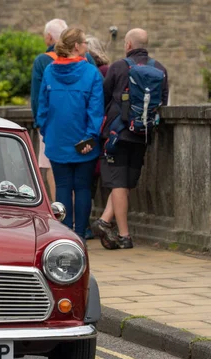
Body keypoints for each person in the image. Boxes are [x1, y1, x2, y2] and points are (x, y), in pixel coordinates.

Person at [92, 28, 169, 250]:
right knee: (125, 182)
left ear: (127, 45)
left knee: (117, 182)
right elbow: (163, 101)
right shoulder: (160, 69)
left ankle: (124, 235)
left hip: (117, 133)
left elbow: (103, 97)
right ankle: (105, 221)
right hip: (142, 133)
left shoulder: (117, 67)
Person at [36, 27, 104, 242]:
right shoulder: (91, 73)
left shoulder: (49, 71)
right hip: (84, 141)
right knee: (82, 187)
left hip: (57, 140)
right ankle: (81, 233)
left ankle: (66, 235)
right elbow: (96, 110)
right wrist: (90, 137)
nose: (86, 46)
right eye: (84, 43)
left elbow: (42, 108)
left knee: (63, 187)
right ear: (76, 46)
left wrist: (48, 134)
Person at [31, 19, 98, 203]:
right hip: (84, 129)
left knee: (59, 180)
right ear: (77, 45)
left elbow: (38, 99)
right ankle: (81, 225)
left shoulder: (43, 62)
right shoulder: (88, 61)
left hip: (53, 128)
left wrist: (43, 127)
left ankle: (61, 218)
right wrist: (92, 132)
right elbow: (96, 97)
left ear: (49, 38)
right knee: (82, 184)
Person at [84, 34, 112, 239]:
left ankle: (84, 224)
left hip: (94, 131)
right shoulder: (106, 70)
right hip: (101, 131)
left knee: (87, 182)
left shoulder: (96, 73)